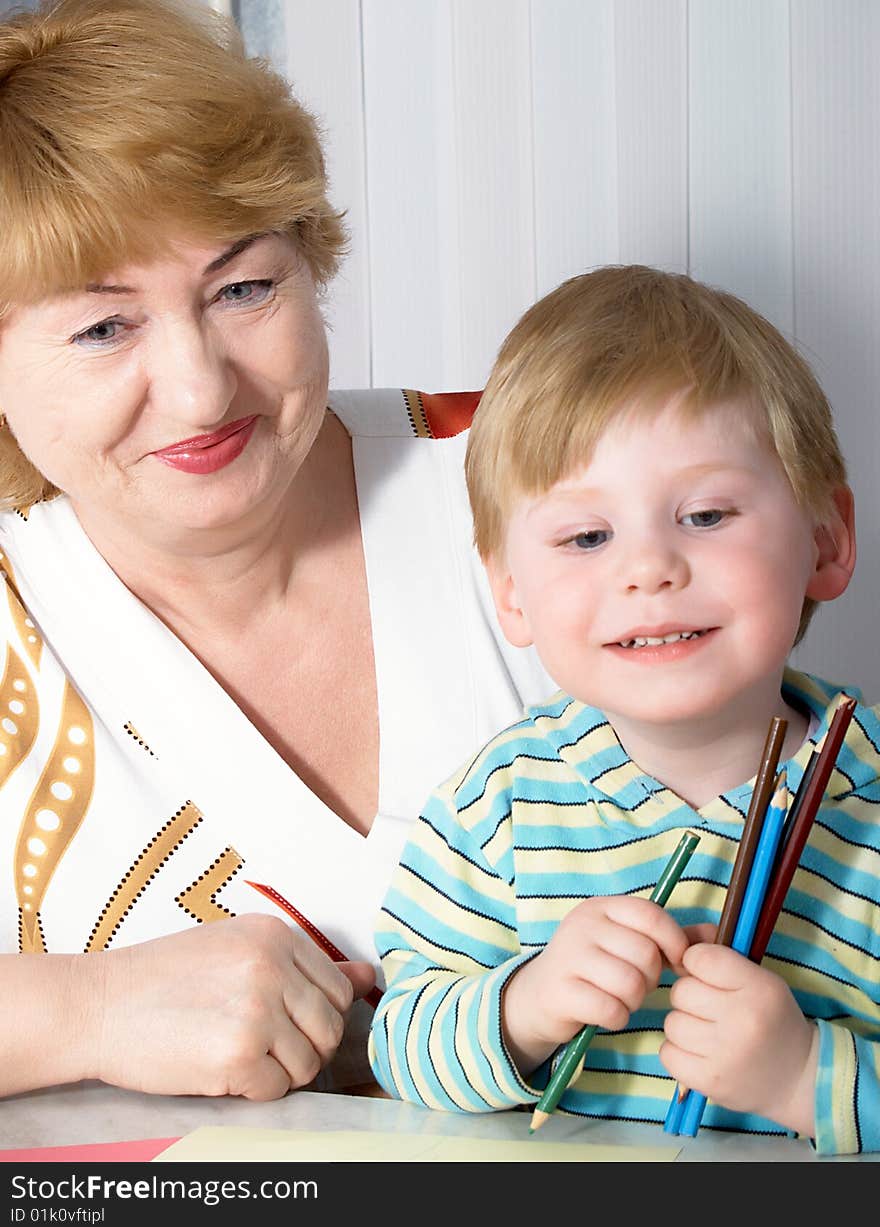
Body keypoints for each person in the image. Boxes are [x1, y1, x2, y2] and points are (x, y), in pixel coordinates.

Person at [0, 0, 553, 1100]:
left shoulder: (551, 474)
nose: (202, 387)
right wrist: (86, 1009)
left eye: (243, 287)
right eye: (104, 326)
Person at [367, 264, 880, 1156]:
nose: (649, 569)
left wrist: (802, 1076)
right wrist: (523, 1008)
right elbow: (400, 1047)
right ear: (511, 595)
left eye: (708, 514)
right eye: (587, 537)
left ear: (827, 543)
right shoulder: (500, 804)